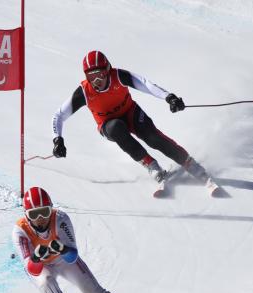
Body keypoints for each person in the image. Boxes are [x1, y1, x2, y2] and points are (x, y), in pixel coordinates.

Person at [11, 186, 157, 293]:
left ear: (51, 210)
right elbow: (32, 270)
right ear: (26, 214)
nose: (40, 219)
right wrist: (36, 258)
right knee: (45, 284)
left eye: (44, 212)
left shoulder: (60, 218)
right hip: (39, 265)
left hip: (62, 259)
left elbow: (72, 256)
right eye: (34, 214)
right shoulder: (20, 231)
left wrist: (63, 249)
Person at [51, 50, 217, 189]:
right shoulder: (84, 92)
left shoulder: (119, 76)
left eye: (100, 74)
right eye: (91, 76)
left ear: (107, 70)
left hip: (130, 112)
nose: (97, 81)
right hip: (108, 124)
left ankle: (189, 163)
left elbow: (146, 84)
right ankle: (151, 165)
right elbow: (59, 115)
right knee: (116, 128)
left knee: (153, 138)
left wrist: (169, 97)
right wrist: (58, 139)